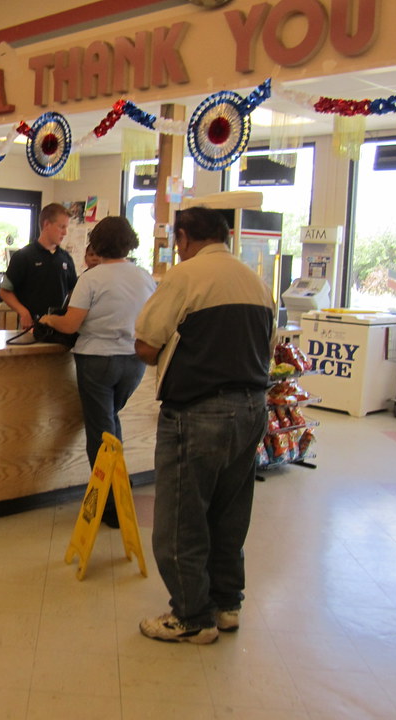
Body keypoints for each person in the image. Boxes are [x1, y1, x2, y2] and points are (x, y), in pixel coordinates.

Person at [133, 206, 276, 644]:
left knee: (180, 518)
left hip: (197, 411)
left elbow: (146, 345)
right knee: (230, 512)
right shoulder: (256, 282)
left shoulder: (185, 276)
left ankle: (192, 616)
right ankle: (226, 603)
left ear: (183, 238)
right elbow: (268, 346)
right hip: (253, 407)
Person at [38, 216, 156, 527]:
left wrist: (49, 320)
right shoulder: (144, 277)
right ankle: (121, 491)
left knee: (100, 434)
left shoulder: (92, 278)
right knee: (111, 425)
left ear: (97, 243)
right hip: (134, 362)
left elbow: (71, 324)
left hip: (97, 362)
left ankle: (111, 505)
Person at [0, 203, 77, 330]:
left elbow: (73, 291)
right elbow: (4, 291)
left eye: (66, 227)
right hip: (31, 327)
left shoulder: (66, 258)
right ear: (46, 224)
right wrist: (23, 312)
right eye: (61, 227)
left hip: (59, 328)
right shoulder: (23, 256)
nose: (65, 232)